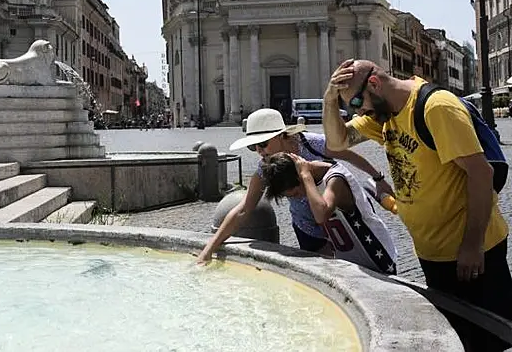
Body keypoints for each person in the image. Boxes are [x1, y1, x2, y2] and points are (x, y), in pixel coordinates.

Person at [323, 59, 511, 351]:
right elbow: (337, 143)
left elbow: (481, 173)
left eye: (358, 102)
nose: (359, 111)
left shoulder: (436, 108)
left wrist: (472, 245)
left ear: (374, 84)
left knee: (488, 340)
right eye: (352, 106)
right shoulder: (383, 116)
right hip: (433, 254)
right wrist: (329, 98)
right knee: (458, 339)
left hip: (473, 252)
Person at [198, 108, 393, 263]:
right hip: (308, 228)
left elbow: (350, 156)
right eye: (253, 146)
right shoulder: (265, 167)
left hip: (341, 220)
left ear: (282, 135)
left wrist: (379, 179)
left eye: (263, 144)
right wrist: (209, 248)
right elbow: (243, 210)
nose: (259, 151)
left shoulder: (312, 144)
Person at [261, 152, 398, 275]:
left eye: (296, 193)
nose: (299, 197)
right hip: (353, 262)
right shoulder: (312, 182)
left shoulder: (334, 179)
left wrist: (306, 175)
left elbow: (321, 215)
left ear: (300, 176)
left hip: (375, 254)